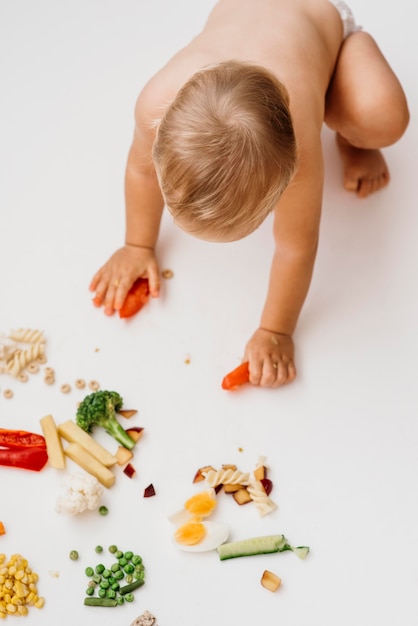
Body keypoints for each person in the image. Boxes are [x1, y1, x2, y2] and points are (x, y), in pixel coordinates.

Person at [89, 0, 409, 388]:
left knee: (384, 117)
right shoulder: (156, 103)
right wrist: (137, 245)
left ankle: (354, 127)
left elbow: (296, 247)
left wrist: (276, 331)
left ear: (284, 180)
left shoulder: (299, 147)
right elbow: (140, 170)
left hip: (322, 17)